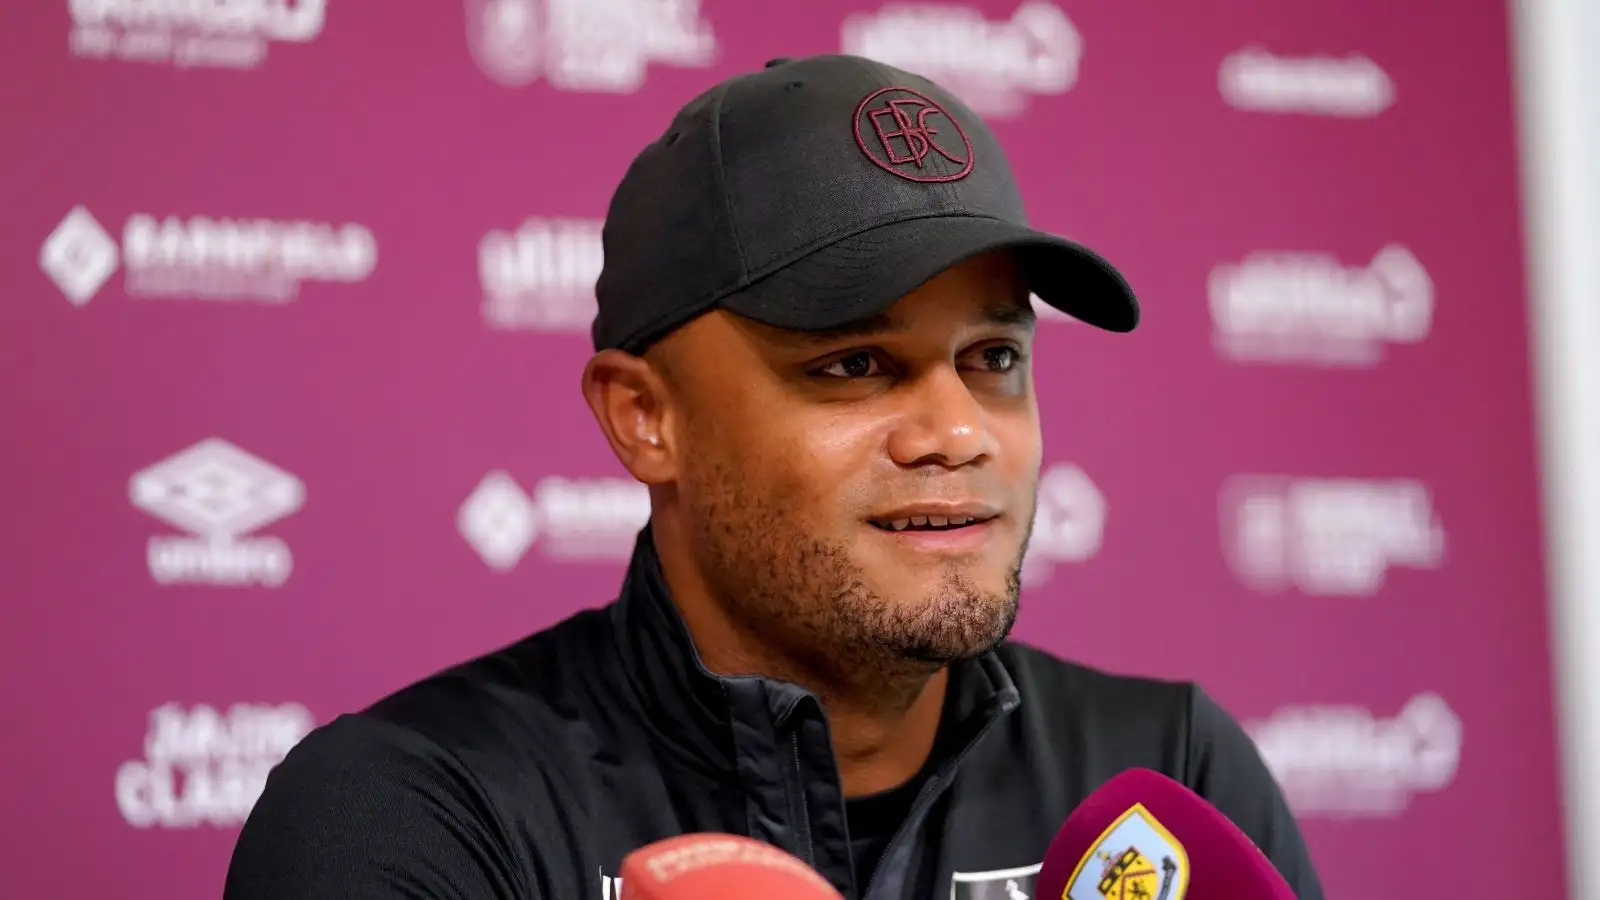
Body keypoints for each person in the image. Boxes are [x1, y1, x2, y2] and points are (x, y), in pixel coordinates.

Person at [224, 54, 1325, 900]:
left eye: (992, 359)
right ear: (645, 417)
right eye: (853, 365)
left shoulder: (1167, 784)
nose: (956, 431)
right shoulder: (416, 811)